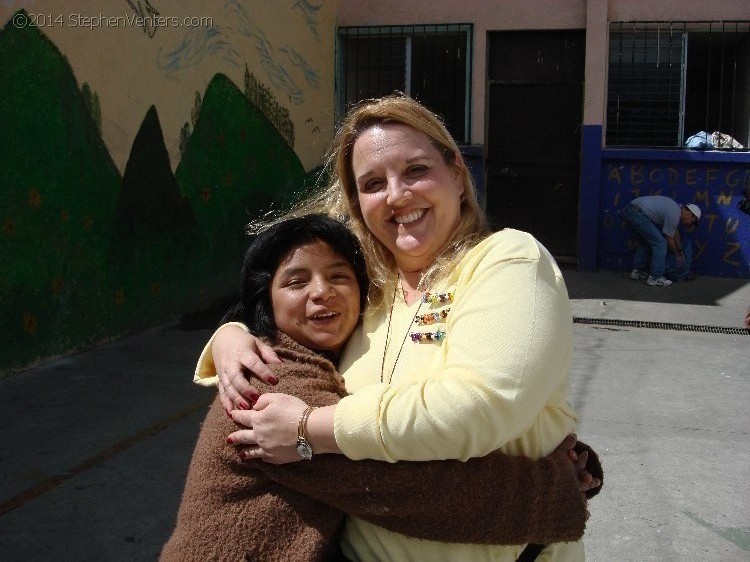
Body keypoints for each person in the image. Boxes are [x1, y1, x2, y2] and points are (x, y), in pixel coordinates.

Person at [198, 94, 602, 560]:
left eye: (415, 170)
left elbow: (476, 407)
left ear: (456, 172)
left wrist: (310, 429)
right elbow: (285, 310)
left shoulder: (506, 260)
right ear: (357, 203)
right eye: (372, 183)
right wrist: (232, 333)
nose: (396, 194)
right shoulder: (366, 288)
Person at [161, 214, 601, 561]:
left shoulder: (346, 341)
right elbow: (402, 489)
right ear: (264, 302)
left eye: (339, 277)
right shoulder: (270, 384)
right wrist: (555, 489)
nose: (322, 293)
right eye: (296, 282)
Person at [622, 195, 701, 286]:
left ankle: (637, 271)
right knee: (660, 243)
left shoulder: (675, 210)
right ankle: (655, 277)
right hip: (637, 214)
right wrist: (677, 256)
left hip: (631, 211)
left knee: (645, 241)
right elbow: (669, 237)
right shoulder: (674, 213)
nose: (690, 224)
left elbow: (675, 232)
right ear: (689, 213)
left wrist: (680, 250)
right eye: (693, 221)